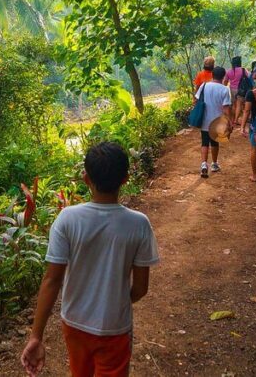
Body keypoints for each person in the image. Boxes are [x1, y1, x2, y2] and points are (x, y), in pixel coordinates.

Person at [21, 142, 159, 377]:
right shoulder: (139, 224)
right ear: (125, 179)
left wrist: (36, 336)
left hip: (75, 323)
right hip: (115, 327)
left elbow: (52, 281)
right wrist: (114, 302)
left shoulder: (68, 219)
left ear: (86, 178)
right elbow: (141, 288)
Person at [195, 66, 233, 178]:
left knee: (204, 142)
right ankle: (214, 164)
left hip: (204, 119)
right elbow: (226, 108)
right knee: (215, 142)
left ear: (212, 75)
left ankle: (203, 165)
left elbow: (197, 99)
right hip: (217, 121)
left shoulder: (204, 85)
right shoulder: (225, 89)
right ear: (223, 77)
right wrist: (229, 121)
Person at [225, 56, 248, 126]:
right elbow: (248, 78)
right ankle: (236, 120)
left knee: (233, 105)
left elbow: (225, 82)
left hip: (232, 89)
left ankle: (232, 120)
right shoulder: (244, 70)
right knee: (239, 105)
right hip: (241, 90)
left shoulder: (229, 71)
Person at [235, 62, 256, 135]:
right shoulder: (253, 74)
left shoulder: (250, 73)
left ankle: (235, 119)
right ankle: (248, 119)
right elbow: (252, 85)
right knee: (247, 108)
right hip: (249, 93)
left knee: (238, 106)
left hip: (239, 91)